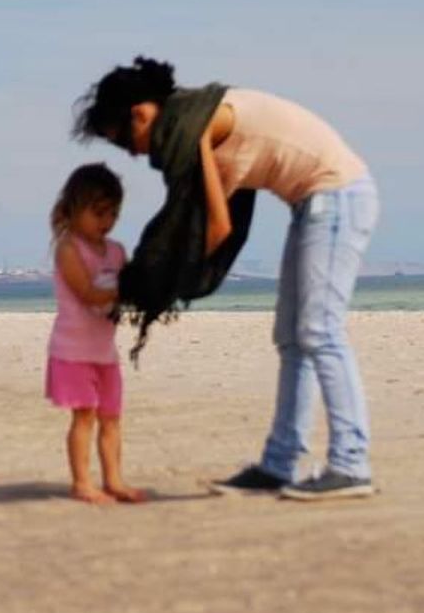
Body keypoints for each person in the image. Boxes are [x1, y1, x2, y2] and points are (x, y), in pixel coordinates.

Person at [72, 57, 379, 501]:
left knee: (319, 331)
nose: (135, 154)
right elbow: (207, 221)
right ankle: (279, 465)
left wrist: (156, 277)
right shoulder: (195, 125)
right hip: (314, 203)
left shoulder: (196, 126)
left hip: (337, 196)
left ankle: (351, 465)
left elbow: (213, 229)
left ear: (140, 113)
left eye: (125, 140)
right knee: (292, 339)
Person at [46, 163, 147, 504]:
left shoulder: (116, 251)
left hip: (105, 353)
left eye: (113, 214)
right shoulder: (68, 249)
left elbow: (129, 284)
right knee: (85, 417)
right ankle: (82, 483)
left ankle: (114, 480)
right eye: (99, 213)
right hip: (72, 353)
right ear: (75, 209)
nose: (107, 221)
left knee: (112, 418)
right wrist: (125, 290)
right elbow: (88, 293)